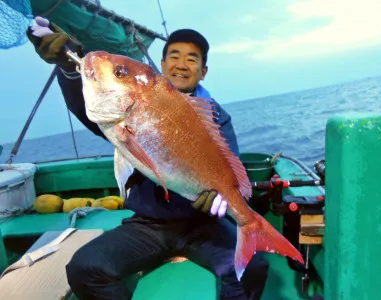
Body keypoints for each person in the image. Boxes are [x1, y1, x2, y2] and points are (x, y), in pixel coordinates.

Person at [27, 18, 269, 300]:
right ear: (163, 65)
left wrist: (223, 199)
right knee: (84, 268)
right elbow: (93, 107)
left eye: (191, 59)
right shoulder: (132, 106)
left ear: (203, 72)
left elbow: (230, 168)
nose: (181, 64)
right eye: (174, 56)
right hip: (148, 225)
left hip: (203, 224)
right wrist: (69, 67)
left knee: (252, 268)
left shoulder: (216, 117)